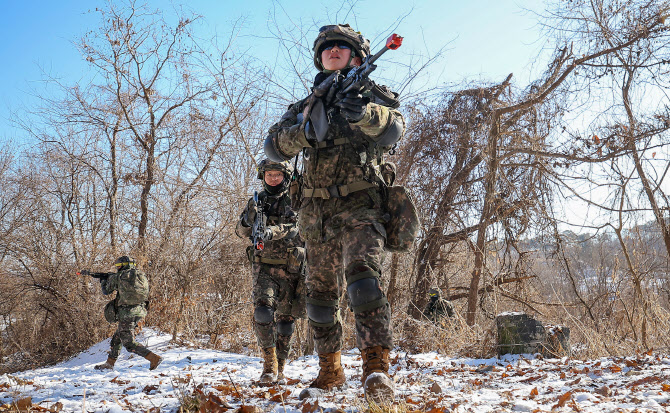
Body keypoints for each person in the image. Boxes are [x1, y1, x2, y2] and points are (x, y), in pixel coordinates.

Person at [264, 24, 405, 403]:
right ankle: (331, 368)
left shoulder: (374, 97)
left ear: (357, 55)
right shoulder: (306, 106)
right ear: (319, 58)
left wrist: (362, 114)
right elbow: (274, 147)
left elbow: (393, 130)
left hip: (361, 207)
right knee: (319, 297)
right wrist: (305, 134)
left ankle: (376, 369)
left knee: (363, 283)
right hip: (316, 215)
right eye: (327, 48)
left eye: (341, 47)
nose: (333, 51)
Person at [236, 159, 306, 384]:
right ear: (262, 176)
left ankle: (281, 368)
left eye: (278, 174)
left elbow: (296, 227)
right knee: (263, 313)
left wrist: (271, 232)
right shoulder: (257, 201)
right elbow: (240, 231)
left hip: (292, 267)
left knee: (286, 321)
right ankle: (269, 366)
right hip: (264, 267)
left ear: (285, 176)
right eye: (269, 174)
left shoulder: (297, 199)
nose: (273, 178)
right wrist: (249, 220)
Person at [86, 256, 162, 371]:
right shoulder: (141, 275)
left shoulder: (119, 276)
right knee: (117, 337)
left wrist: (103, 281)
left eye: (119, 265)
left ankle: (153, 358)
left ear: (124, 265)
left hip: (127, 313)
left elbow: (106, 291)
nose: (118, 268)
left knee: (129, 343)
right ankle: (110, 363)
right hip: (140, 311)